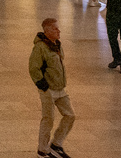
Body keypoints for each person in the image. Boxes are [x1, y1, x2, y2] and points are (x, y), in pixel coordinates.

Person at [30, 17, 74, 158]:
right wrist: (44, 86)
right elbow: (33, 68)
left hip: (61, 88)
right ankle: (42, 149)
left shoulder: (57, 45)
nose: (58, 31)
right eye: (55, 29)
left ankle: (56, 143)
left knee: (70, 115)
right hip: (48, 89)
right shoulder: (40, 48)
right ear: (47, 31)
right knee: (48, 119)